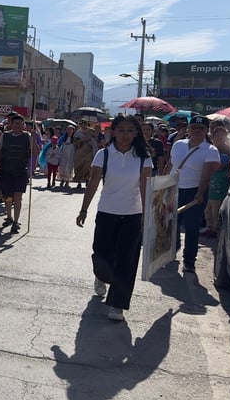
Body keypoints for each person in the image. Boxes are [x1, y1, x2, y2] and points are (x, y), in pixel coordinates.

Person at [76, 115, 153, 322]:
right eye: (121, 130)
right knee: (101, 254)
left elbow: (146, 187)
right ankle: (101, 276)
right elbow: (93, 182)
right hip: (107, 212)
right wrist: (84, 209)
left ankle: (117, 305)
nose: (125, 135)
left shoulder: (144, 156)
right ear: (113, 132)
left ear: (136, 133)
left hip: (133, 215)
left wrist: (147, 216)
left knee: (126, 262)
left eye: (130, 130)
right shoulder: (104, 154)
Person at [163, 115, 221, 272]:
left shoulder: (211, 150)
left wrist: (200, 193)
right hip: (175, 190)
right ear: (188, 129)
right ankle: (172, 250)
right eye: (194, 127)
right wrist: (162, 185)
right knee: (172, 224)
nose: (196, 131)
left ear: (206, 131)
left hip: (195, 192)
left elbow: (206, 175)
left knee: (191, 227)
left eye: (200, 128)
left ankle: (189, 260)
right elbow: (171, 164)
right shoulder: (178, 145)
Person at [0, 113, 38, 234]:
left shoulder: (27, 136)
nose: (18, 125)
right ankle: (9, 217)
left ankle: (16, 222)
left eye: (20, 123)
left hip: (20, 171)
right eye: (15, 123)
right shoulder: (5, 136)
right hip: (6, 170)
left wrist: (33, 138)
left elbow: (36, 152)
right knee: (7, 197)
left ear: (23, 125)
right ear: (11, 124)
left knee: (18, 197)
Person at [203, 153, 230, 238]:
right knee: (207, 213)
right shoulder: (213, 172)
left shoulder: (225, 174)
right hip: (210, 197)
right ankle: (209, 227)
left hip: (219, 198)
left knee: (215, 214)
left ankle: (214, 230)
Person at [72, 120, 98, 189]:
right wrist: (81, 140)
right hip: (80, 153)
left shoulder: (91, 131)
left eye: (84, 124)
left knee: (88, 166)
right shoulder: (78, 133)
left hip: (88, 152)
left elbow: (95, 139)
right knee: (79, 166)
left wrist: (90, 138)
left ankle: (87, 180)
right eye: (81, 124)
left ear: (87, 124)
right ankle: (79, 182)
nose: (83, 125)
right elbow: (75, 142)